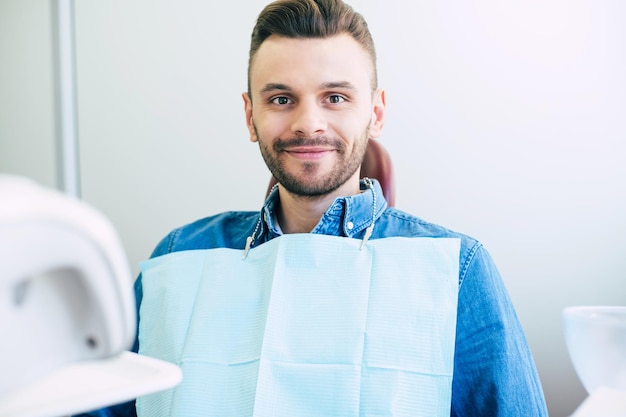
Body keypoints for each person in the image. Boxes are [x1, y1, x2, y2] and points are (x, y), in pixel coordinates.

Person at [78, 0, 548, 415]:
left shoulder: (457, 269)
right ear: (250, 116)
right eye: (281, 98)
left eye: (336, 97)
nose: (309, 124)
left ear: (376, 113)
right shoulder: (178, 257)